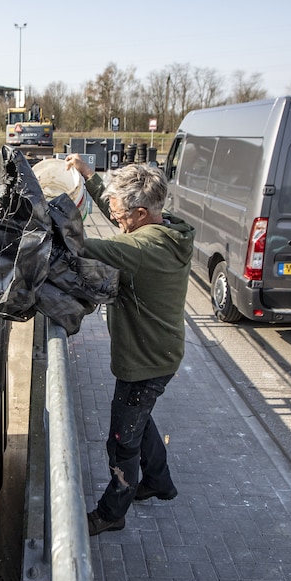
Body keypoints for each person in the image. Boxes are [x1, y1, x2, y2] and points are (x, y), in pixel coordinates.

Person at [64, 154, 196, 536]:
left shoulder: (141, 250)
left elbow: (80, 247)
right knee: (140, 419)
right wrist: (90, 177)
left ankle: (112, 512)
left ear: (140, 213)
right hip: (160, 354)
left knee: (122, 440)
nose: (116, 216)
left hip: (146, 360)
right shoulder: (163, 228)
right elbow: (115, 207)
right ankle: (158, 481)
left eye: (122, 212)